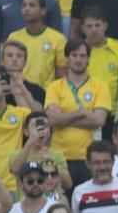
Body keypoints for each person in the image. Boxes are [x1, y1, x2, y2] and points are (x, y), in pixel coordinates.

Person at [45, 39, 111, 186]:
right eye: (74, 55)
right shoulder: (54, 87)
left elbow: (99, 121)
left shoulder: (100, 86)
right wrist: (80, 113)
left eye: (82, 56)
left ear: (88, 59)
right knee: (59, 202)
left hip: (88, 158)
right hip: (58, 156)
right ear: (67, 58)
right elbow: (53, 120)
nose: (78, 60)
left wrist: (65, 117)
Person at [6, 0, 67, 90]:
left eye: (32, 5)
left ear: (43, 11)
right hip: (18, 91)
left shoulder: (58, 39)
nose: (27, 9)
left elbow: (62, 75)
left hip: (45, 94)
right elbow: (7, 68)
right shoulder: (13, 37)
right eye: (24, 5)